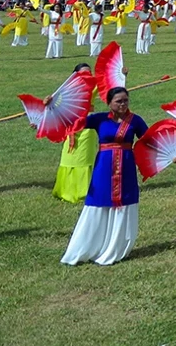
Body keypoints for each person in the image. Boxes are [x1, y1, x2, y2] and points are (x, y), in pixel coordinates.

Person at [60, 86, 149, 265]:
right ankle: (85, 248)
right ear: (109, 103)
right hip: (104, 167)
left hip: (126, 168)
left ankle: (115, 248)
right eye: (118, 101)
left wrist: (170, 154)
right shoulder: (99, 119)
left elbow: (150, 141)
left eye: (126, 100)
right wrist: (51, 109)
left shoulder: (135, 121)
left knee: (125, 202)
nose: (123, 104)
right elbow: (72, 121)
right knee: (97, 203)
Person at [53, 63, 99, 204]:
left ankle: (84, 190)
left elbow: (110, 86)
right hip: (71, 123)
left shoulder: (94, 86)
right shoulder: (66, 89)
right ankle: (65, 189)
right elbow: (55, 105)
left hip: (87, 123)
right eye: (83, 73)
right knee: (69, 156)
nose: (87, 75)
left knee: (85, 156)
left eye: (89, 72)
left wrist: (123, 76)